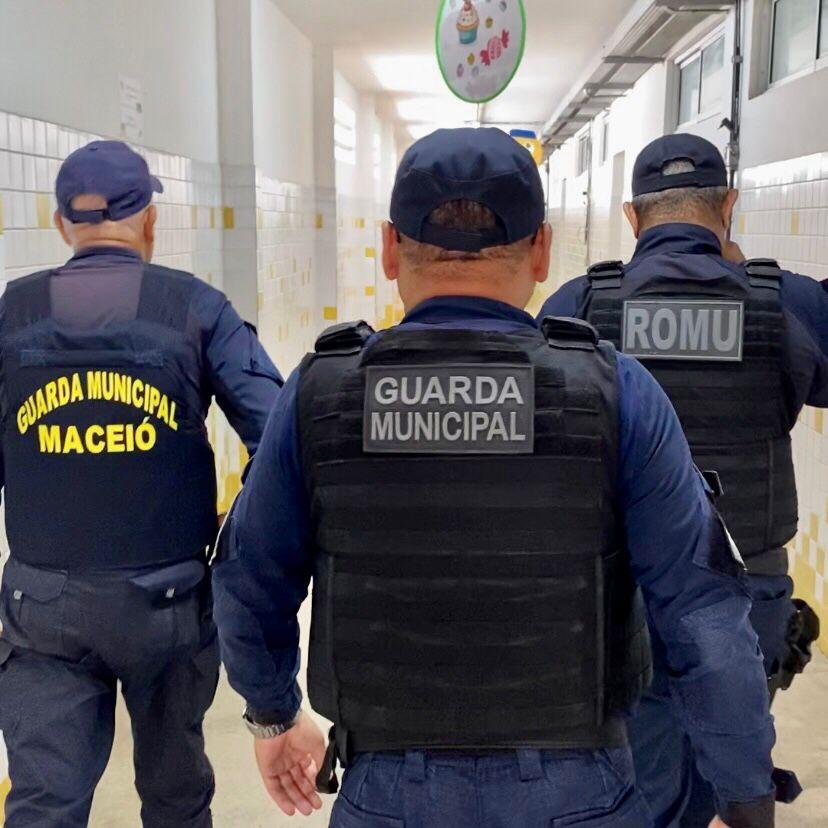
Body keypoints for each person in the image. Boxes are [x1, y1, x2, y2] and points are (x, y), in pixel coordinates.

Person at [212, 128, 776, 828]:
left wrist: (272, 712)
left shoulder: (320, 392)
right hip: (582, 791)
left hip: (388, 790)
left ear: (388, 248)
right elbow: (703, 615)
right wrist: (743, 796)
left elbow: (247, 578)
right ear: (541, 251)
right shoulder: (615, 392)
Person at [539, 133, 828, 827]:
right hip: (747, 588)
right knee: (729, 757)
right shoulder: (786, 303)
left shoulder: (581, 306)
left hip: (621, 589)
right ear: (729, 205)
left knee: (637, 773)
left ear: (632, 217)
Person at [0, 140, 283, 828]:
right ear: (150, 218)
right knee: (176, 798)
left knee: (44, 803)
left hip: (42, 605)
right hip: (168, 603)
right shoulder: (195, 308)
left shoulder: (13, 311)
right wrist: (236, 540)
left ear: (61, 222)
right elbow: (279, 438)